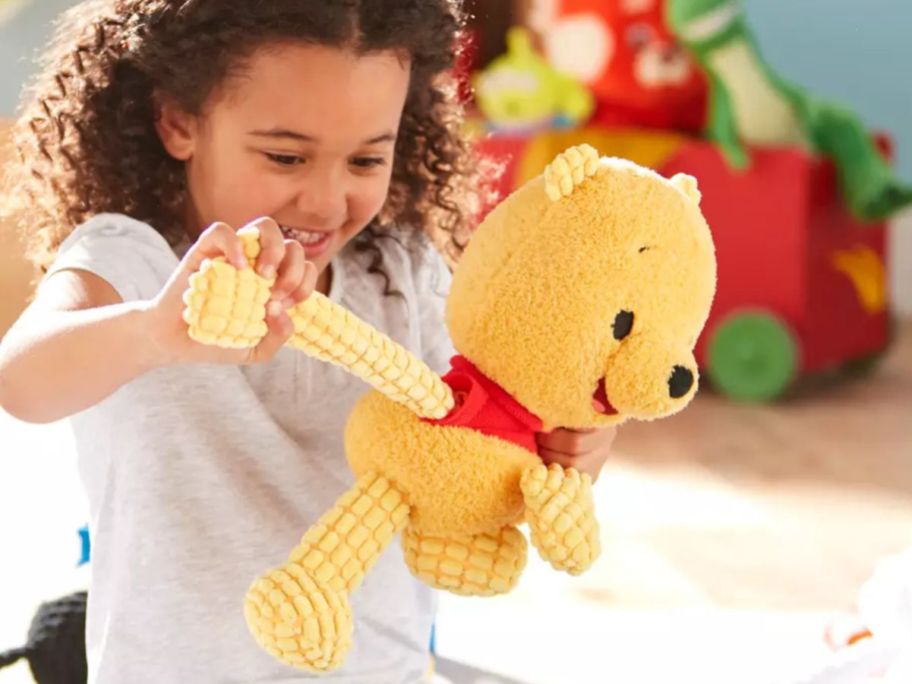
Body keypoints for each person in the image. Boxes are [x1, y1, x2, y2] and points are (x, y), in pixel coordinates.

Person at [0, 1, 616, 681]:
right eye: (286, 155)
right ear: (178, 121)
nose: (326, 202)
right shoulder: (131, 261)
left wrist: (561, 454)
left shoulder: (403, 277)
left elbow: (476, 458)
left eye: (364, 159)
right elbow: (21, 379)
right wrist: (154, 330)